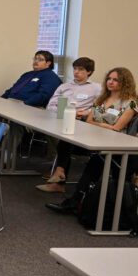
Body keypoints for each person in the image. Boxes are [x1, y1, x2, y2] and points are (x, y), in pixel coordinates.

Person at [46, 67, 138, 213]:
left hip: (116, 146)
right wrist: (105, 125)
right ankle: (62, 176)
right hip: (94, 140)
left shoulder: (131, 103)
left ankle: (75, 202)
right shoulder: (102, 98)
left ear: (125, 82)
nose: (111, 82)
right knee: (66, 141)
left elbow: (117, 128)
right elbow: (89, 121)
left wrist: (100, 125)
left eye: (115, 80)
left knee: (95, 163)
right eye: (109, 79)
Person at [36, 57, 102, 193]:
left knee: (66, 140)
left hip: (82, 123)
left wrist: (84, 113)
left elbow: (100, 109)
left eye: (81, 69)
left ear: (89, 72)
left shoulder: (96, 88)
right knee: (64, 140)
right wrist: (67, 111)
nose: (76, 72)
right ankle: (59, 176)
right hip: (60, 120)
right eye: (75, 69)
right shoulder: (64, 86)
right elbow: (51, 105)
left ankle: (59, 176)